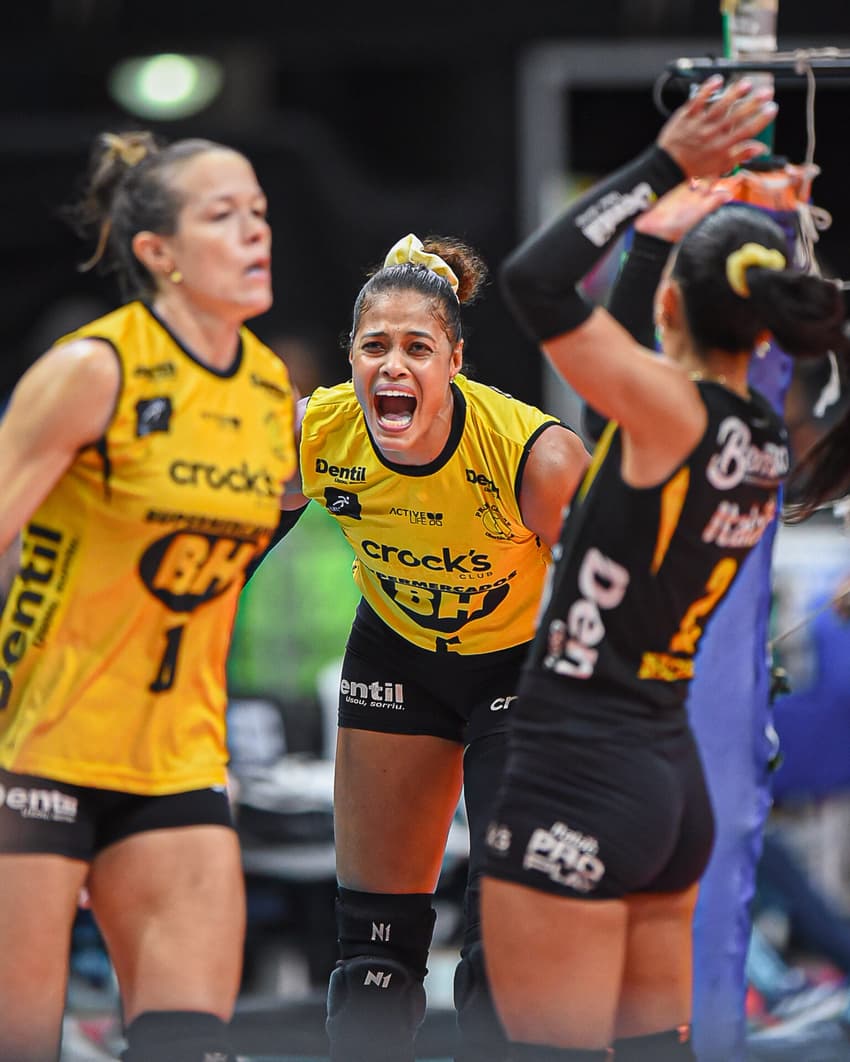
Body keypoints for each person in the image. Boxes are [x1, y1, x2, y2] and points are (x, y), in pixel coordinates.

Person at [479, 74, 848, 1062]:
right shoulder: (756, 434)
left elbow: (533, 282)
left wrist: (660, 171)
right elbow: (613, 405)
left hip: (577, 765)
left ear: (675, 311)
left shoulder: (669, 415)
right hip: (666, 787)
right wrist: (652, 243)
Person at [0, 130, 296, 1062]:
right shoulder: (95, 370)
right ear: (156, 253)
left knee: (188, 1049)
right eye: (223, 216)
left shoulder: (267, 388)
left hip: (177, 762)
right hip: (38, 753)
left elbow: (245, 537)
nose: (255, 233)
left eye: (258, 212)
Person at [274, 231, 590, 1061]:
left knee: (507, 948)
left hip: (518, 667)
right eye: (374, 346)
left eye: (418, 347)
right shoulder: (313, 432)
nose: (393, 366)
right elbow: (220, 555)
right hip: (396, 653)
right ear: (349, 357)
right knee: (371, 957)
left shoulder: (535, 453)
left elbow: (622, 587)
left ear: (455, 360)